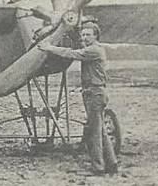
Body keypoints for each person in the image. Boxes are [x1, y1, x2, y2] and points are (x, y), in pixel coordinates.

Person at [38, 16, 119, 175]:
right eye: (83, 35)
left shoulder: (93, 50)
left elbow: (71, 53)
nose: (84, 37)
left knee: (94, 133)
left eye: (88, 35)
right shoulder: (94, 49)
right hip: (94, 92)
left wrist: (49, 47)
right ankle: (112, 164)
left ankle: (98, 167)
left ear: (96, 36)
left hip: (94, 93)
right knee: (101, 130)